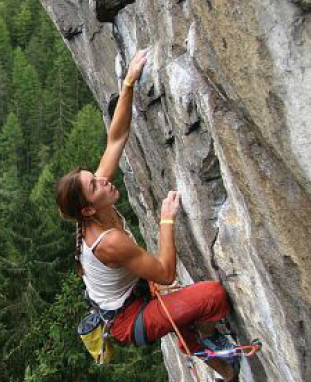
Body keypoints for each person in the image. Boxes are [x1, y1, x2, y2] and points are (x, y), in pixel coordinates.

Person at [55, 50, 240, 382]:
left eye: (94, 176)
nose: (102, 179)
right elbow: (166, 273)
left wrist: (127, 84)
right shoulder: (107, 242)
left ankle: (225, 371)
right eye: (94, 184)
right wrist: (166, 220)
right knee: (212, 297)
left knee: (185, 314)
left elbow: (117, 138)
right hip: (128, 320)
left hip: (133, 298)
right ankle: (207, 338)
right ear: (88, 208)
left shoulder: (95, 208)